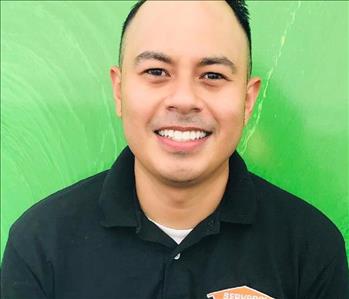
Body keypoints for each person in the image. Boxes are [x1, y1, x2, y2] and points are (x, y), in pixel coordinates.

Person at [1, 0, 348, 298]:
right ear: (120, 91)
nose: (184, 100)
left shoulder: (310, 248)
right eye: (156, 71)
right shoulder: (41, 244)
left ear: (247, 100)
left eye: (212, 75)